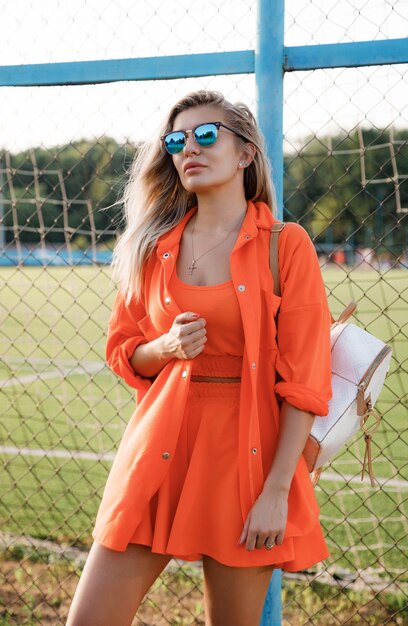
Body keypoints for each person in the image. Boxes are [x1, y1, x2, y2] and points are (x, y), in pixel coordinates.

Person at [66, 90, 332, 626]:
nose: (189, 147)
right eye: (176, 140)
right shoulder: (150, 246)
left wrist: (277, 491)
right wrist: (163, 348)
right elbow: (125, 352)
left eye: (206, 134)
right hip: (159, 452)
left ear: (245, 154)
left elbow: (304, 381)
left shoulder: (287, 245)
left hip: (248, 467)